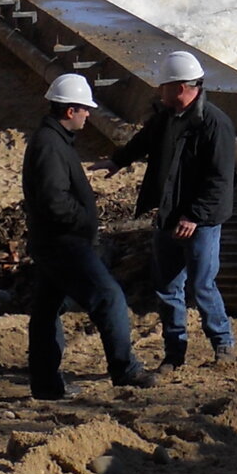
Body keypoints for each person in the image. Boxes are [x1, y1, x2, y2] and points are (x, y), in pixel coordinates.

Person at [24, 73, 157, 398]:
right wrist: (84, 220)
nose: (88, 114)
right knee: (108, 297)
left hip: (52, 242)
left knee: (46, 311)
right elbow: (54, 201)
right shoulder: (50, 146)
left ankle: (45, 385)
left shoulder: (51, 141)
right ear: (70, 111)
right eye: (85, 109)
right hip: (64, 243)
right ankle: (125, 370)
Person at [108, 50, 237, 369]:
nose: (158, 91)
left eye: (163, 85)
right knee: (167, 286)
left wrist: (194, 216)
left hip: (201, 222)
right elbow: (143, 141)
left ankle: (223, 344)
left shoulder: (215, 124)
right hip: (169, 215)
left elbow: (220, 179)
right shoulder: (165, 118)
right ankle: (174, 353)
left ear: (180, 87)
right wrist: (117, 160)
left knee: (202, 284)